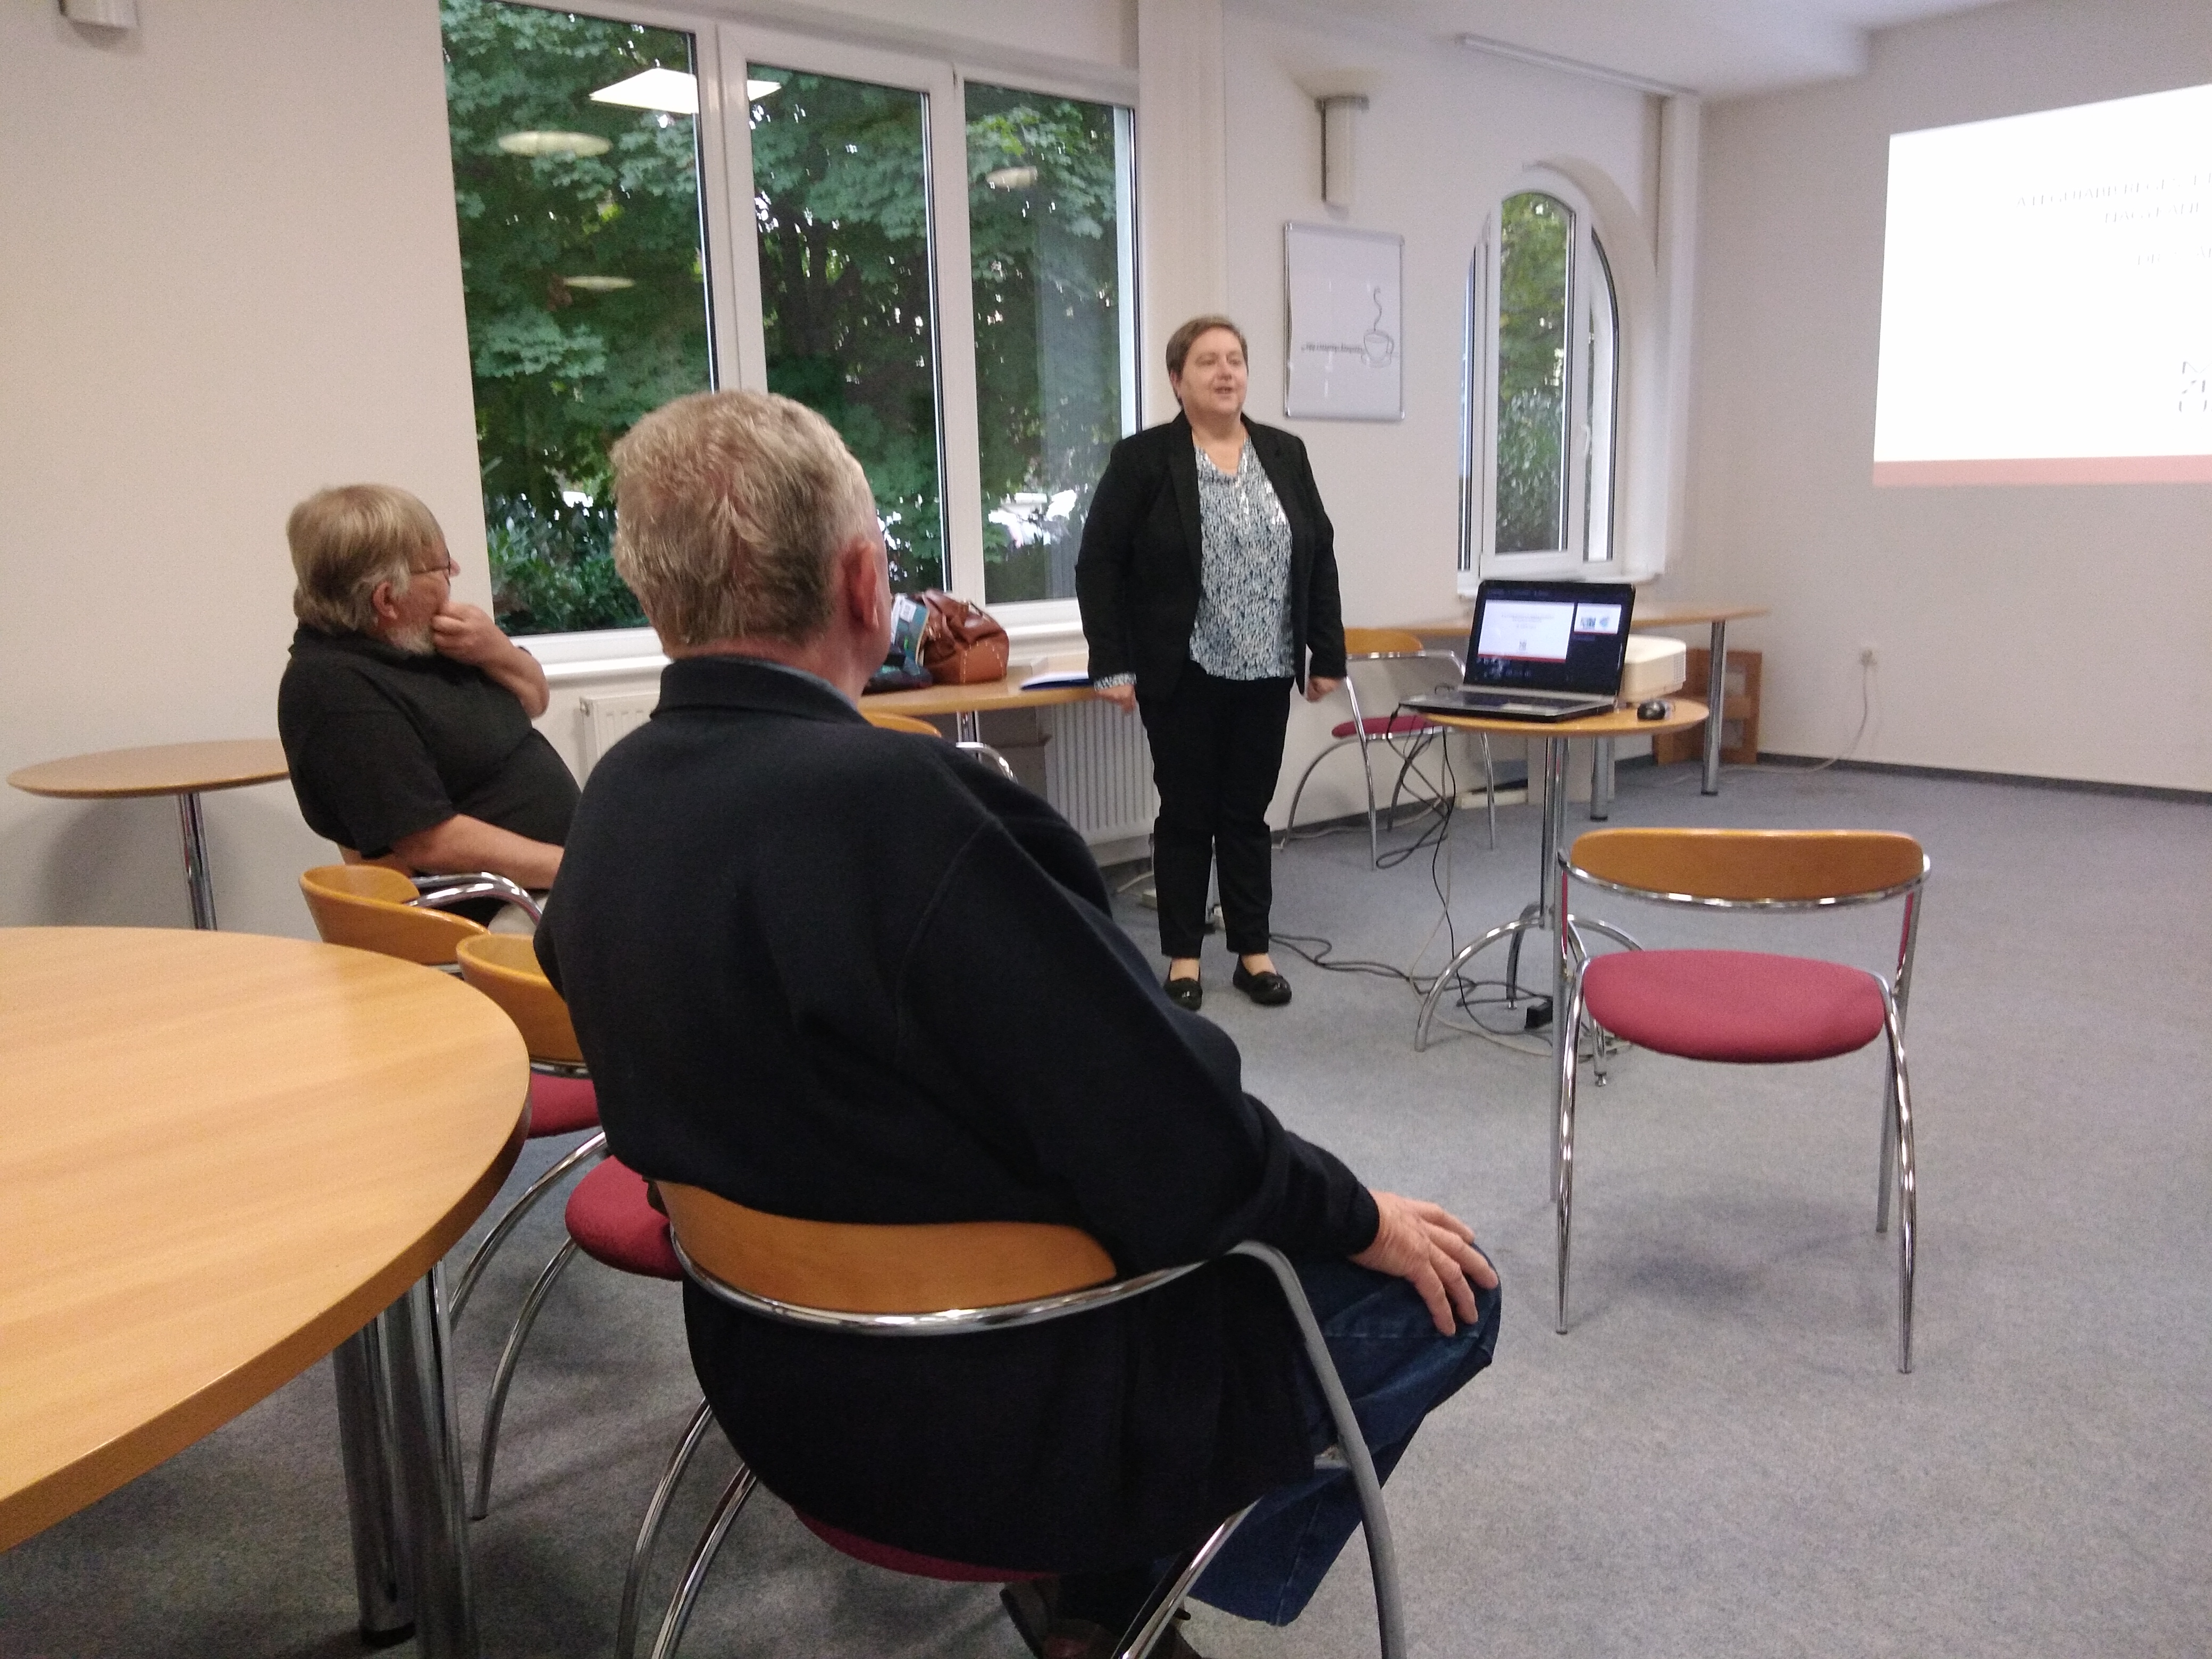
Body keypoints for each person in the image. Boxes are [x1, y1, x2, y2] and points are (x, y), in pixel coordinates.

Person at [535, 390, 1499, 1659]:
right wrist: (1359, 1213)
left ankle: (1097, 1601)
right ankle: (1121, 1593)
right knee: (1445, 1289)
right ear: (865, 582)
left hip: (769, 1388)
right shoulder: (910, 810)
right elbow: (1182, 1138)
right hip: (999, 1413)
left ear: (658, 600)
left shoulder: (613, 802)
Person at [1075, 316, 1347, 1011]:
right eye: (1207, 362)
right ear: (1177, 379)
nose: (1225, 372)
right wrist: (1112, 665)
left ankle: (1253, 953)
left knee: (1248, 815)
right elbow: (1099, 564)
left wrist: (1327, 652)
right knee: (1188, 815)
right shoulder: (1143, 460)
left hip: (1267, 667)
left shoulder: (1284, 452)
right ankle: (1184, 959)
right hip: (1182, 669)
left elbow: (1317, 554)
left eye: (1234, 360)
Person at [277, 483, 576, 891]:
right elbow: (431, 843)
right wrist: (581, 869)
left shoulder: (421, 637)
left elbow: (535, 699)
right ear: (387, 599)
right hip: (497, 903)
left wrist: (498, 651)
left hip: (556, 875)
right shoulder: (336, 691)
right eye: (441, 567)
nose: (454, 572)